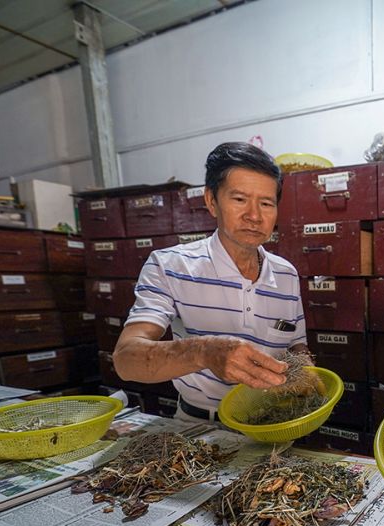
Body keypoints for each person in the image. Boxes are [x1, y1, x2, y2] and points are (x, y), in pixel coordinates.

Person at [113, 142, 307, 421]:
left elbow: (297, 348)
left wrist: (307, 375)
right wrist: (205, 351)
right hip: (199, 430)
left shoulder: (286, 274)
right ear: (211, 201)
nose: (254, 215)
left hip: (274, 424)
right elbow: (126, 360)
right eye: (239, 199)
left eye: (266, 203)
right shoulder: (169, 266)